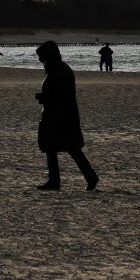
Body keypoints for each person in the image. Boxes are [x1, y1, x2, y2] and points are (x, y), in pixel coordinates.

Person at [33, 41, 100, 191]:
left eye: (42, 57)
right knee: (57, 148)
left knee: (69, 148)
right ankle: (56, 180)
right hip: (57, 114)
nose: (41, 61)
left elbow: (62, 96)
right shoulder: (57, 69)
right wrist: (45, 98)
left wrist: (45, 99)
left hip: (62, 116)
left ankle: (85, 178)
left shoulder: (60, 71)